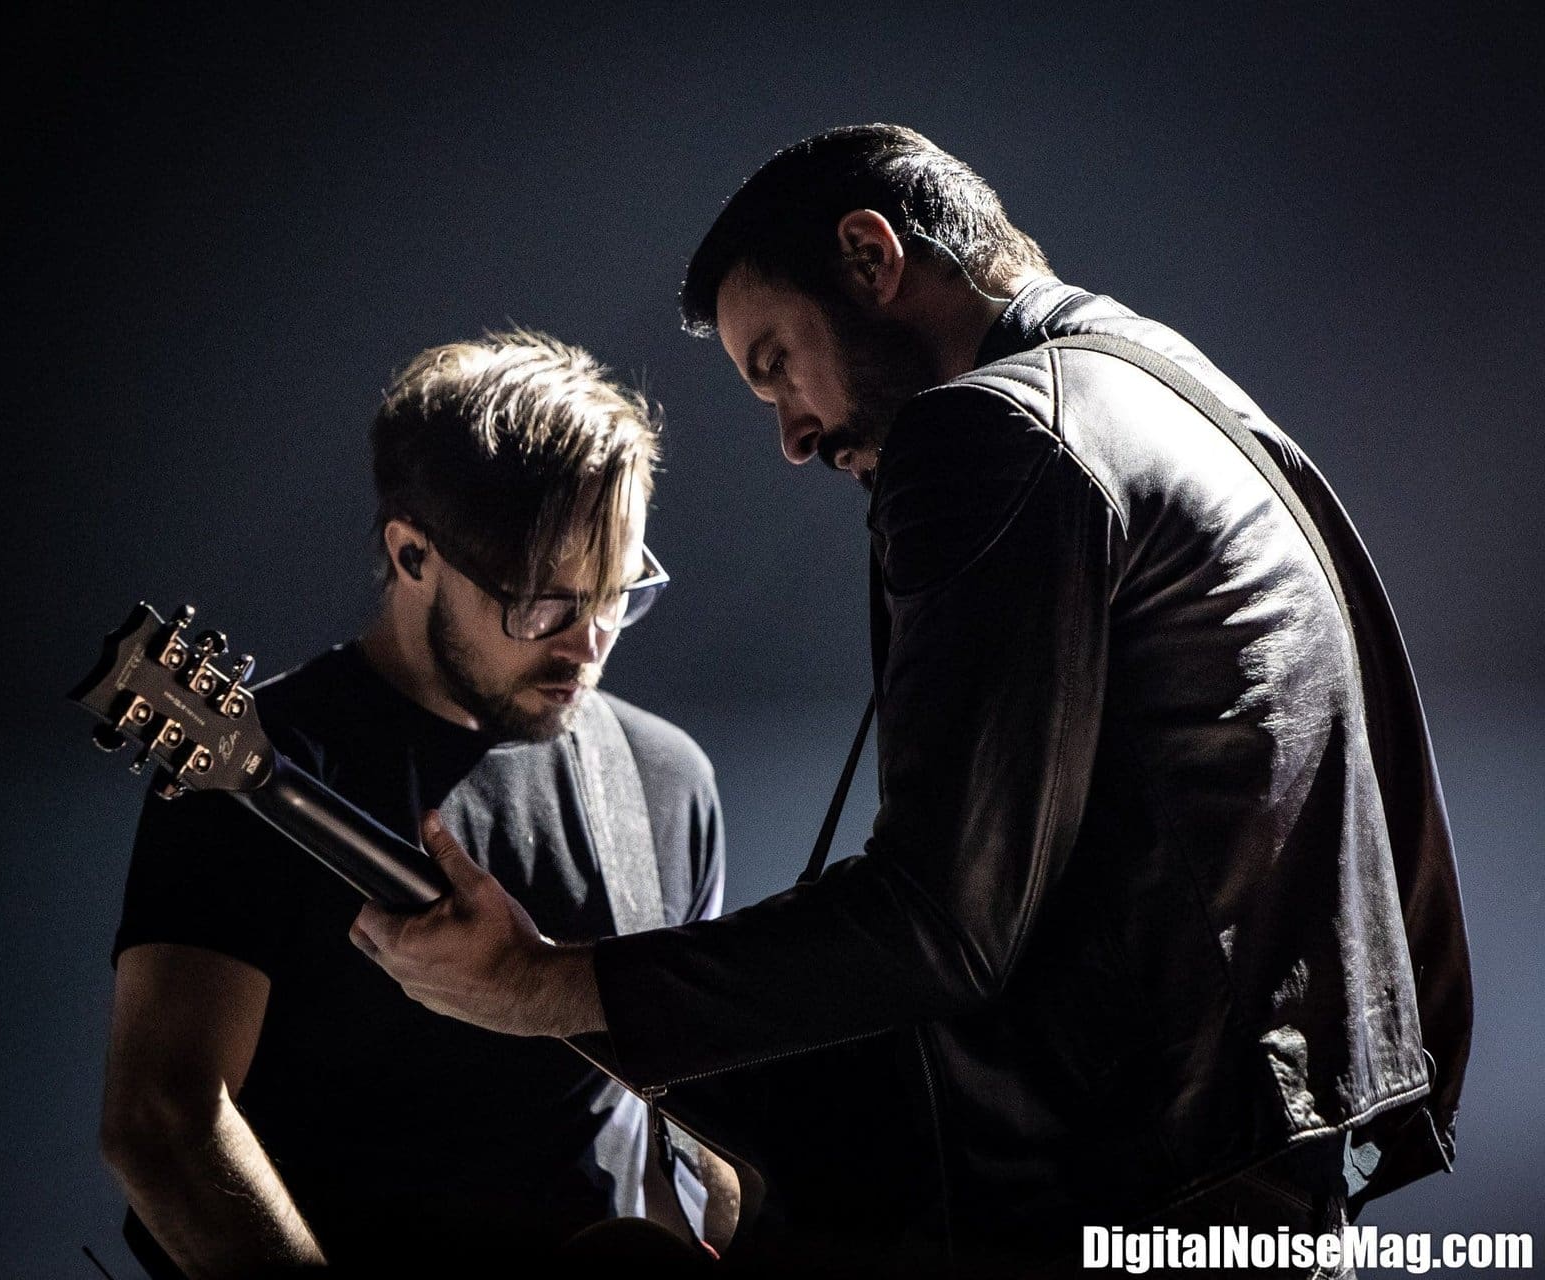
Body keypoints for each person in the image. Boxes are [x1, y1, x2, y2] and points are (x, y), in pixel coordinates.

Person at [352, 128, 1473, 1276]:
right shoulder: (1173, 386)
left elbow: (938, 922)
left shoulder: (988, 429)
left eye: (776, 360)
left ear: (869, 254)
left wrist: (547, 984)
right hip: (1262, 1174)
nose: (791, 433)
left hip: (1124, 1193)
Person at [100, 331, 734, 1278]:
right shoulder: (257, 770)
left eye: (617, 593)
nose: (587, 646)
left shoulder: (666, 781)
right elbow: (163, 1122)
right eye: (542, 605)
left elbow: (697, 1129)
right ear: (411, 554)